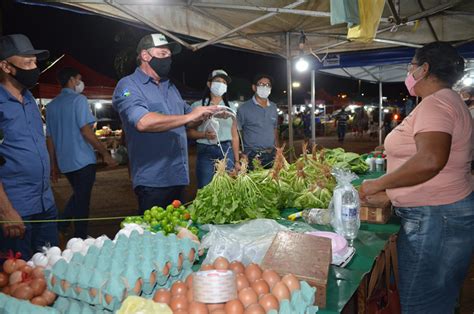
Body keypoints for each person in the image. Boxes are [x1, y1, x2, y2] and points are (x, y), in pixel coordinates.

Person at [359, 42, 473, 314]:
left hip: (434, 219)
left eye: (411, 64)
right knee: (439, 298)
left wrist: (378, 184)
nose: (408, 71)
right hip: (444, 213)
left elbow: (431, 159)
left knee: (420, 304)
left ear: (424, 69)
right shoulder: (449, 100)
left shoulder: (436, 105)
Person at [112, 33, 220, 214]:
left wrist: (208, 114)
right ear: (145, 56)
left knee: (179, 235)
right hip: (153, 181)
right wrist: (188, 117)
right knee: (154, 237)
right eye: (162, 54)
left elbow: (188, 116)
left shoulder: (170, 87)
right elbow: (143, 122)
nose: (168, 59)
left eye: (169, 55)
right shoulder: (128, 86)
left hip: (178, 176)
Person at [0, 34, 58, 260]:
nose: (34, 68)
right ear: (5, 66)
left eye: (35, 62)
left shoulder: (30, 100)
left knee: (51, 268)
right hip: (16, 210)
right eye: (27, 63)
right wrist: (5, 211)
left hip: (45, 204)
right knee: (20, 279)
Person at [46, 67, 117, 239]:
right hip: (83, 160)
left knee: (79, 194)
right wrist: (105, 153)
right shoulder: (79, 100)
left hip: (65, 162)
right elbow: (86, 131)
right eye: (78, 79)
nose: (80, 83)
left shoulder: (51, 106)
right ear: (71, 80)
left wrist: (53, 165)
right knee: (82, 199)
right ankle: (79, 236)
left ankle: (63, 226)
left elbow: (49, 138)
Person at [187, 69, 240, 188]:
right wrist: (204, 135)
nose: (221, 84)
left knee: (228, 187)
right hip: (205, 150)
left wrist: (236, 161)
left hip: (226, 150)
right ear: (209, 84)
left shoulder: (230, 107)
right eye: (218, 81)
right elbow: (189, 132)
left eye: (224, 83)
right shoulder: (198, 106)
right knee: (206, 187)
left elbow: (235, 135)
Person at [237, 74, 278, 169]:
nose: (265, 87)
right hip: (252, 156)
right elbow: (237, 133)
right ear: (254, 87)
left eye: (268, 85)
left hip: (271, 154)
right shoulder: (243, 108)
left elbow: (274, 129)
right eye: (261, 84)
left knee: (271, 183)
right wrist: (240, 153)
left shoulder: (273, 107)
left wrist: (278, 150)